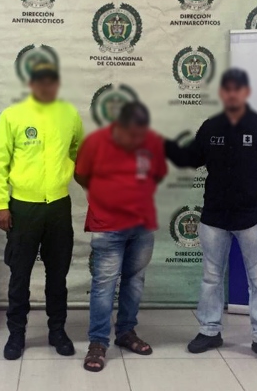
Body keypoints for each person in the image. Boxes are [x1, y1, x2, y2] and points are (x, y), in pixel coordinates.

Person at [164, 68, 257, 365]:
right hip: (215, 218)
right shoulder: (211, 127)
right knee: (211, 277)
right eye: (227, 90)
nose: (232, 94)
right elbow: (190, 159)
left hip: (252, 217)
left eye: (238, 89)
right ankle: (210, 331)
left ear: (245, 93)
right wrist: (164, 144)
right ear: (222, 94)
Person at [0, 62, 84, 361]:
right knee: (20, 274)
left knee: (58, 274)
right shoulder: (12, 115)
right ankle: (16, 334)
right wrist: (1, 204)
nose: (45, 85)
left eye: (51, 80)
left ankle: (58, 331)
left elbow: (78, 151)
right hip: (22, 208)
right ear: (30, 84)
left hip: (58, 206)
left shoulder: (69, 114)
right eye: (40, 80)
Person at [75, 102, 167, 372]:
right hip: (109, 225)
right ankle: (98, 342)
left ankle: (126, 332)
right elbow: (81, 174)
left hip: (141, 226)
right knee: (104, 286)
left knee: (135, 281)